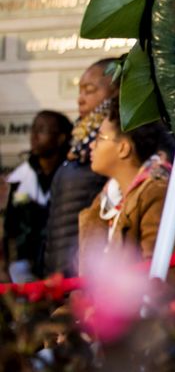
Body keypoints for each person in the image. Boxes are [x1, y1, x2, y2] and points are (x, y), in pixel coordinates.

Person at [78, 106, 175, 288]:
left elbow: (163, 284)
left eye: (100, 138)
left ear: (123, 148)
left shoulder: (157, 194)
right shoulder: (105, 201)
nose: (92, 145)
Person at [45, 58, 119, 276]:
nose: (80, 99)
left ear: (115, 91)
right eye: (80, 91)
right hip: (60, 265)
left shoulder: (116, 139)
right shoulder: (78, 144)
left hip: (83, 269)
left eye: (89, 90)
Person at [3, 111, 72, 281]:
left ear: (61, 138)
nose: (34, 136)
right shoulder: (21, 176)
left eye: (42, 130)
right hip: (24, 266)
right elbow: (10, 227)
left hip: (63, 267)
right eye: (33, 129)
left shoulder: (72, 173)